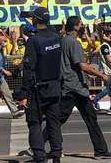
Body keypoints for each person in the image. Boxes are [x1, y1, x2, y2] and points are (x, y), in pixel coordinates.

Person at [43, 16, 111, 159]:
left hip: (71, 87)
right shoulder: (73, 42)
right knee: (59, 119)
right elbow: (82, 65)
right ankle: (37, 144)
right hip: (74, 87)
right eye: (81, 25)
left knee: (89, 118)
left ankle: (101, 151)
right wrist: (102, 75)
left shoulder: (62, 40)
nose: (82, 27)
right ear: (75, 27)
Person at [18, 7, 63, 163]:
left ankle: (40, 157)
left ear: (35, 20)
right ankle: (56, 156)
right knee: (54, 123)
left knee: (34, 123)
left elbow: (29, 69)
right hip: (55, 86)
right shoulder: (56, 37)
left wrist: (24, 94)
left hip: (38, 89)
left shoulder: (34, 40)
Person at [93, 27, 111, 110]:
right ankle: (94, 101)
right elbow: (108, 59)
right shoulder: (104, 46)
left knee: (108, 90)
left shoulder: (106, 45)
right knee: (108, 90)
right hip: (108, 72)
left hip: (108, 71)